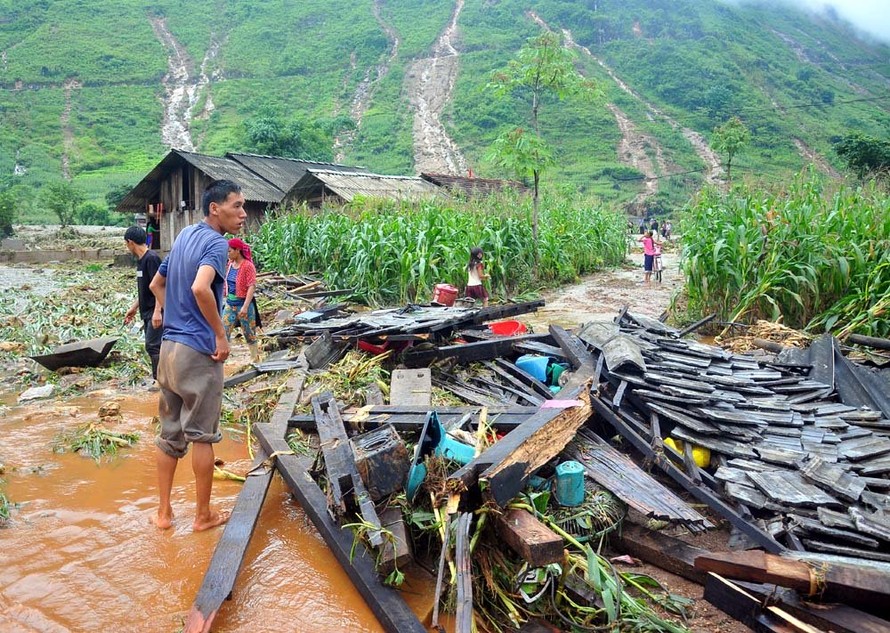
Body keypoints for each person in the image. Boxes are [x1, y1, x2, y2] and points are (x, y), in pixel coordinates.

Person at [148, 179, 246, 532]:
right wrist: (220, 334)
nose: (243, 213)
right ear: (215, 208)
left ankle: (163, 514)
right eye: (236, 205)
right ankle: (203, 516)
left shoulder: (185, 236)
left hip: (169, 350)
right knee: (202, 435)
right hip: (196, 352)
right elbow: (200, 287)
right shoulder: (216, 245)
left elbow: (156, 285)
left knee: (169, 434)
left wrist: (167, 312)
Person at [123, 226, 163, 389]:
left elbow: (160, 286)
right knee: (155, 346)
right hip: (146, 311)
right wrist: (133, 308)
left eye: (126, 244)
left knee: (153, 346)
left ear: (130, 242)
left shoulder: (151, 258)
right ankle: (164, 378)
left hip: (156, 310)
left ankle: (160, 381)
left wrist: (157, 312)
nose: (127, 247)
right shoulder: (141, 261)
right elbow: (145, 288)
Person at [223, 237, 262, 363]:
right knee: (224, 331)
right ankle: (222, 361)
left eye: (229, 251)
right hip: (230, 304)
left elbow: (251, 286)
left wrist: (245, 306)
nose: (228, 254)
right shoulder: (229, 265)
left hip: (243, 304)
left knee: (249, 333)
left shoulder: (247, 266)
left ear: (237, 250)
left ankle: (255, 359)